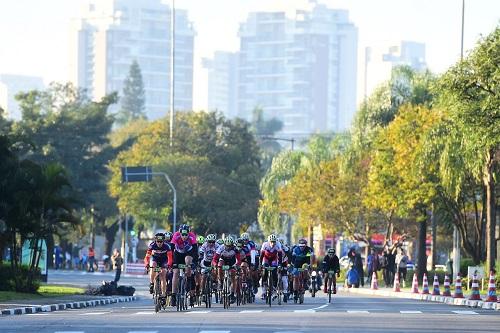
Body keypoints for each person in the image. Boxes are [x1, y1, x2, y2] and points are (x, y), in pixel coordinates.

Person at [171, 224, 197, 307]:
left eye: (186, 235)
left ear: (189, 233)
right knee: (175, 273)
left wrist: (194, 263)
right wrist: (171, 261)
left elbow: (195, 250)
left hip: (188, 253)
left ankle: (188, 283)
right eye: (183, 234)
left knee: (188, 261)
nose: (184, 236)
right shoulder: (176, 235)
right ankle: (173, 295)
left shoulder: (192, 236)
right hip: (178, 254)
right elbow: (171, 249)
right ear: (180, 233)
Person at [144, 233, 172, 302]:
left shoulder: (167, 246)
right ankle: (151, 283)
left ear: (163, 241)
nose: (159, 243)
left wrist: (168, 265)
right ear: (155, 241)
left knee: (163, 274)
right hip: (155, 259)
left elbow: (170, 258)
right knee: (153, 266)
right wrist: (147, 264)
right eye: (158, 241)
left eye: (161, 242)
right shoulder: (152, 245)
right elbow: (147, 257)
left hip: (164, 260)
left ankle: (163, 294)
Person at [213, 237, 241, 304]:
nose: (228, 247)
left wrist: (237, 266)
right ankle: (220, 281)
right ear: (224, 244)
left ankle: (232, 293)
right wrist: (215, 265)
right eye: (226, 245)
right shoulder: (221, 248)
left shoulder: (235, 249)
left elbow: (239, 260)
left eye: (229, 246)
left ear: (232, 245)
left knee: (233, 277)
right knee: (219, 265)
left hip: (232, 261)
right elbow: (214, 259)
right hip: (223, 260)